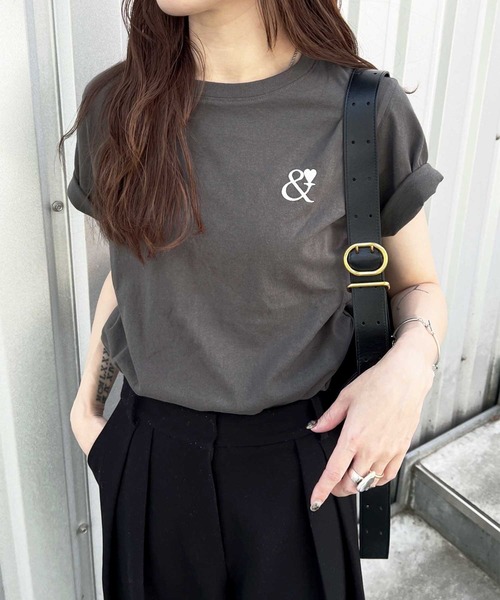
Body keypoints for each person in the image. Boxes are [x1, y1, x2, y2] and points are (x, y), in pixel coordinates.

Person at [61, 1, 448, 598]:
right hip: (152, 461)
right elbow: (129, 271)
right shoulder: (118, 106)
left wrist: (410, 370)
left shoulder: (362, 110)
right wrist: (89, 413)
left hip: (299, 465)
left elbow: (416, 284)